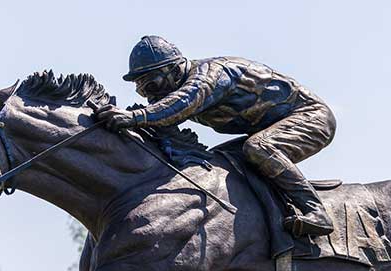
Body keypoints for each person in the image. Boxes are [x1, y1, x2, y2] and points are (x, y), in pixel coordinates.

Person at [97, 35, 337, 237]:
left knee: (258, 148)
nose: (151, 96)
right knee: (218, 163)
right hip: (271, 126)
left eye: (153, 86)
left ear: (175, 69)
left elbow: (183, 102)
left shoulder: (210, 75)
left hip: (310, 117)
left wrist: (137, 117)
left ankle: (316, 211)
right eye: (143, 90)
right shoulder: (181, 86)